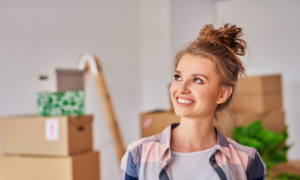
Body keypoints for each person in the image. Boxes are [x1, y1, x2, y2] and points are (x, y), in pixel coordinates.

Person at [120, 23, 266, 180]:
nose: (181, 88)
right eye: (178, 77)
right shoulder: (138, 155)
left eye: (197, 80)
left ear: (222, 94)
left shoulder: (247, 161)